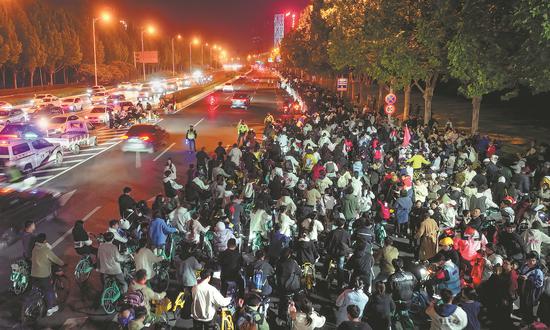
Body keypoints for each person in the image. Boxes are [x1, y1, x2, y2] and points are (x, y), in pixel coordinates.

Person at [30, 233, 64, 316]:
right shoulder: (45, 250)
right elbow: (55, 259)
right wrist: (62, 263)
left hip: (33, 274)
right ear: (44, 240)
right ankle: (50, 308)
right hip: (43, 275)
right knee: (49, 291)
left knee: (37, 288)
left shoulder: (34, 248)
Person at [386, 258, 416, 330]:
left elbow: (389, 290)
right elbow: (415, 284)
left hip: (399, 302)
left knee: (405, 320)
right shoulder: (410, 275)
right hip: (410, 300)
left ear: (393, 266)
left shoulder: (392, 278)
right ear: (402, 265)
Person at [517, 251, 545, 324]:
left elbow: (539, 284)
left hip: (530, 293)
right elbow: (520, 273)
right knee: (523, 305)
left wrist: (528, 280)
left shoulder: (538, 271)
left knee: (528, 308)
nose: (531, 262)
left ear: (536, 261)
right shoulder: (525, 266)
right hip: (523, 290)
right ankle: (524, 320)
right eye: (529, 260)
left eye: (533, 260)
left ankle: (529, 322)